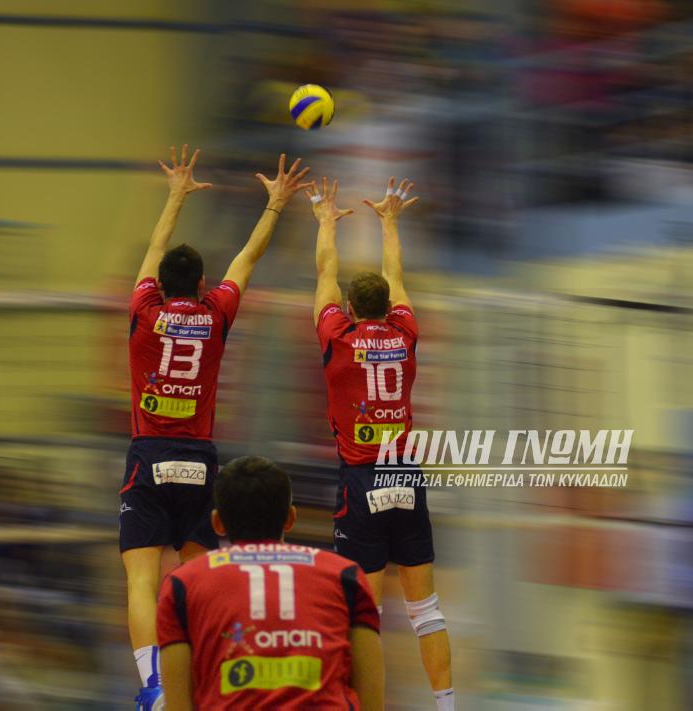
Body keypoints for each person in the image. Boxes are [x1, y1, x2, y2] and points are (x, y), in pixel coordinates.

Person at [122, 146, 312, 710]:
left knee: (141, 580)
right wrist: (275, 204)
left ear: (158, 285)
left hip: (149, 455)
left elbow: (153, 250)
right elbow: (247, 259)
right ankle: (208, 676)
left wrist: (175, 195)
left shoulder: (144, 313)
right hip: (199, 460)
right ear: (203, 282)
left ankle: (154, 685)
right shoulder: (215, 315)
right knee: (199, 581)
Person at [306, 176, 455, 709]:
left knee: (364, 617)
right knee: (426, 611)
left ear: (349, 307)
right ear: (390, 307)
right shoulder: (406, 334)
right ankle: (447, 705)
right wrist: (390, 221)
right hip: (405, 476)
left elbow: (325, 273)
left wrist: (326, 220)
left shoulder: (337, 337)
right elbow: (396, 276)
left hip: (361, 482)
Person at [156, 456, 385, 710]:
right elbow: (372, 700)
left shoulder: (182, 584)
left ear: (217, 523)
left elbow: (178, 702)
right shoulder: (345, 576)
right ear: (290, 517)